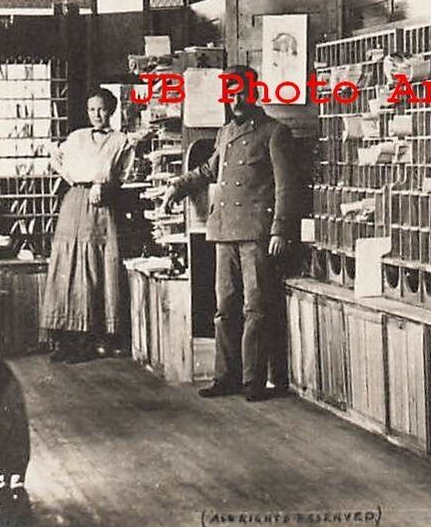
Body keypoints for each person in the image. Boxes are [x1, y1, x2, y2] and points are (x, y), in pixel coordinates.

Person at [164, 65, 299, 401]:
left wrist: (280, 229)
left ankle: (254, 380)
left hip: (256, 232)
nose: (236, 99)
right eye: (231, 92)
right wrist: (178, 186)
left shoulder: (274, 132)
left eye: (242, 92)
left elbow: (286, 187)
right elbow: (209, 170)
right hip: (224, 229)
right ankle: (227, 377)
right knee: (225, 307)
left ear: (255, 93)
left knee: (256, 307)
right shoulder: (225, 133)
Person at [41, 88, 144, 363]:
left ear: (111, 111)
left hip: (101, 205)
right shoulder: (75, 138)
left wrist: (104, 187)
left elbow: (122, 176)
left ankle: (91, 338)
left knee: (94, 268)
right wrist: (73, 178)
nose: (96, 115)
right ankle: (65, 337)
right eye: (91, 110)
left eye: (101, 110)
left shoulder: (121, 141)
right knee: (67, 265)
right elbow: (59, 161)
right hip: (74, 201)